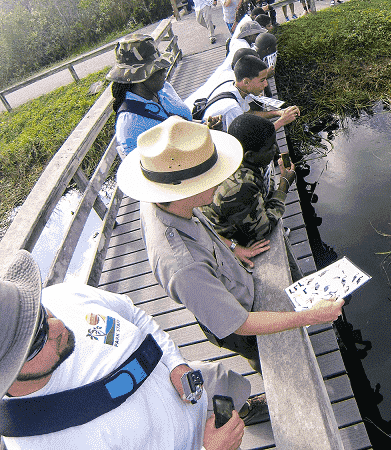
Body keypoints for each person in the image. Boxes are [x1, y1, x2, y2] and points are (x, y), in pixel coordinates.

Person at [115, 117, 344, 374]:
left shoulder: (163, 199)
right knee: (267, 357)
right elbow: (241, 324)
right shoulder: (185, 268)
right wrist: (312, 316)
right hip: (239, 322)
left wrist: (233, 247)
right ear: (183, 190)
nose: (222, 181)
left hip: (236, 285)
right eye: (210, 178)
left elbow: (200, 224)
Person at [0, 248, 264, 450]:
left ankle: (245, 410)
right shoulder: (41, 443)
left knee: (226, 383)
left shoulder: (63, 297)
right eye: (36, 340)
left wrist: (174, 363)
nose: (58, 326)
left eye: (41, 312)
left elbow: (134, 315)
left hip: (194, 387)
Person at [203, 114, 296, 251]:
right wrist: (284, 185)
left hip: (241, 208)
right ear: (250, 155)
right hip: (230, 238)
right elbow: (264, 230)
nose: (275, 149)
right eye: (270, 147)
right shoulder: (239, 187)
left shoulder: (238, 153)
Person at [107, 34, 194, 159]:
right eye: (156, 69)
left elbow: (185, 121)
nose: (164, 72)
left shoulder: (164, 88)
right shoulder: (129, 124)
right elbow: (140, 168)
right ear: (138, 76)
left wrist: (204, 125)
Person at [188, 51, 299, 132]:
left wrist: (278, 112)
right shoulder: (232, 109)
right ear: (246, 82)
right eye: (262, 80)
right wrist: (282, 121)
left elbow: (248, 114)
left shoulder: (231, 85)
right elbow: (251, 142)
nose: (266, 84)